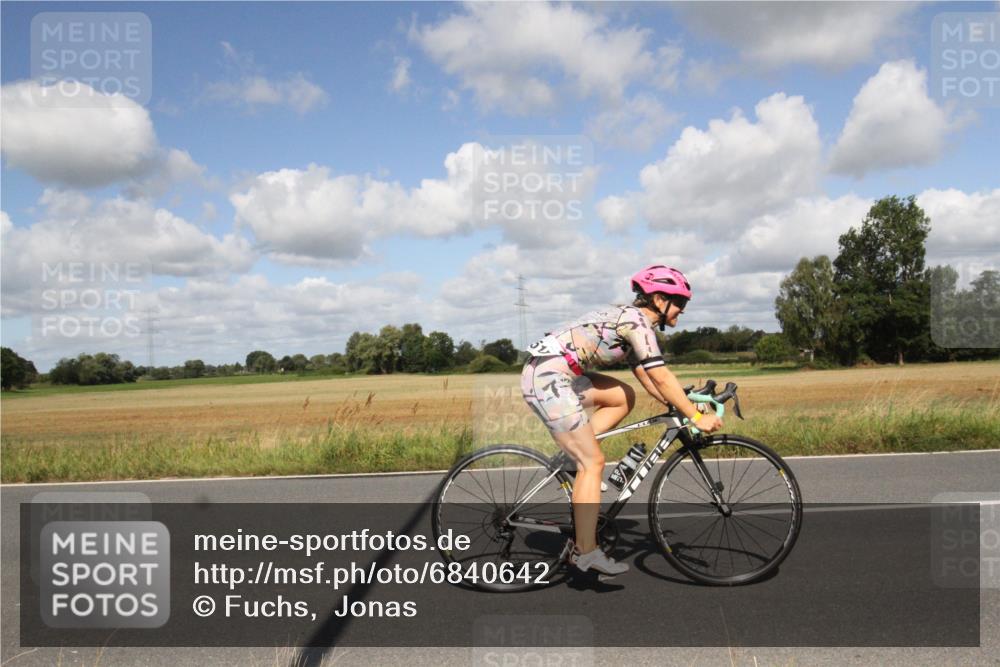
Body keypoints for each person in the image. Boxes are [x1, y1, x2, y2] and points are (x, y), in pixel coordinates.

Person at [520, 265, 723, 576]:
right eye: (680, 302)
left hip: (551, 374)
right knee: (593, 463)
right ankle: (585, 552)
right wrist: (696, 417)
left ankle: (570, 458)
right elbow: (660, 375)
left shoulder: (633, 322)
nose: (683, 310)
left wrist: (684, 400)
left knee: (622, 396)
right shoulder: (637, 323)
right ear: (659, 299)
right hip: (548, 379)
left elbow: (647, 377)